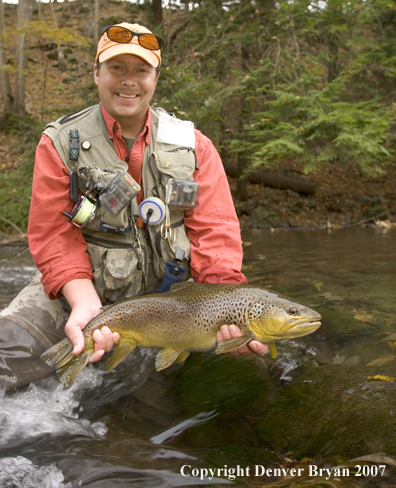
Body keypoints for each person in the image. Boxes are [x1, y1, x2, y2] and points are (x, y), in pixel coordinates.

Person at [0, 22, 268, 389]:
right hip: (81, 292)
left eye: (141, 70)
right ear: (96, 73)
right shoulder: (61, 142)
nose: (129, 81)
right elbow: (53, 235)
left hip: (177, 307)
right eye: (116, 68)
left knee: (247, 378)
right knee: (6, 352)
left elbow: (215, 233)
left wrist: (226, 311)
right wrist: (84, 304)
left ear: (155, 78)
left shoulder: (195, 145)